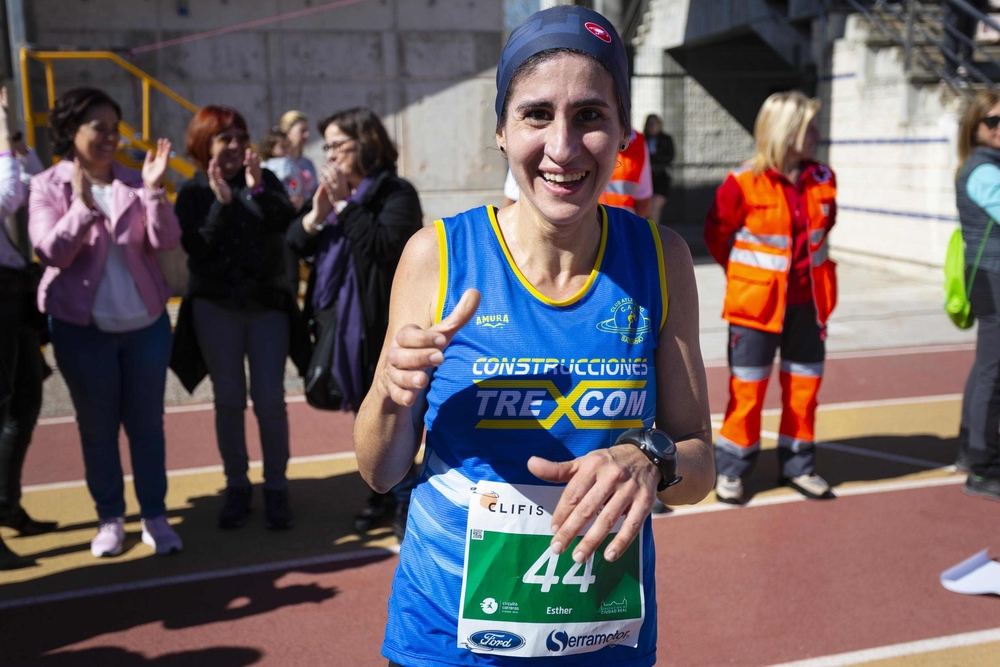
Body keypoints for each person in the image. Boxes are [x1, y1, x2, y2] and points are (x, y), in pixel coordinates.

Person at [354, 7, 714, 665]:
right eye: (537, 114)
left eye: (590, 116)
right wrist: (387, 390)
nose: (563, 147)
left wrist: (649, 457)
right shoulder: (438, 255)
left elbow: (700, 468)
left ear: (624, 130)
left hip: (601, 639)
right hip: (448, 640)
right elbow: (380, 472)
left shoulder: (661, 260)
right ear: (501, 129)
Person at [28, 87, 182, 558]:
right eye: (99, 127)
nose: (110, 137)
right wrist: (81, 206)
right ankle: (111, 518)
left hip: (146, 327)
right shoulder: (46, 186)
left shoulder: (135, 181)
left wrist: (154, 190)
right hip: (81, 330)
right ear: (70, 131)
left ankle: (154, 516)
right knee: (96, 429)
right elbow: (50, 251)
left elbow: (168, 238)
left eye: (115, 128)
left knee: (147, 427)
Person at [287, 107, 422, 540]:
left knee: (393, 415)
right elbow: (294, 244)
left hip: (381, 325)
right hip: (341, 325)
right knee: (364, 416)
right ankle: (380, 494)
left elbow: (383, 247)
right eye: (326, 146)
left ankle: (402, 500)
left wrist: (345, 204)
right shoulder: (337, 196)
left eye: (337, 145)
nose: (330, 155)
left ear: (364, 144)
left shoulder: (394, 193)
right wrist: (317, 213)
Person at [172, 105, 307, 531]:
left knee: (270, 400)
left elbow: (289, 226)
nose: (234, 146)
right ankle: (236, 486)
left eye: (239, 137)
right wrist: (221, 204)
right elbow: (197, 249)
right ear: (203, 143)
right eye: (223, 138)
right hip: (216, 310)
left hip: (266, 308)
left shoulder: (263, 181)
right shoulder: (194, 190)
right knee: (228, 401)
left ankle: (276, 487)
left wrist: (257, 191)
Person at [704, 91, 837, 505]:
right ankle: (732, 468)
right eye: (809, 127)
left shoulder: (823, 178)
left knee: (804, 389)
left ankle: (799, 465)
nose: (816, 134)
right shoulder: (741, 183)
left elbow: (821, 236)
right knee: (747, 392)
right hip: (756, 307)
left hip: (809, 304)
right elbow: (717, 235)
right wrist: (749, 278)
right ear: (786, 131)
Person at [0, 86, 53, 570]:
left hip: (12, 299)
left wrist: (16, 143)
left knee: (23, 405)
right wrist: (2, 143)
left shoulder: (7, 157)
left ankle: (8, 505)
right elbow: (9, 194)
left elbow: (37, 185)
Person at [954, 90, 1000, 502]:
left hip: (988, 275)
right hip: (993, 276)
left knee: (987, 367)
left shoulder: (987, 165)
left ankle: (972, 450)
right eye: (994, 122)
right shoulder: (983, 170)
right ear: (975, 127)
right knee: (994, 371)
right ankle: (983, 467)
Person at [500, 129, 653, 217]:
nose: (561, 153)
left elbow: (643, 200)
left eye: (589, 115)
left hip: (619, 239)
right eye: (538, 115)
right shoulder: (532, 148)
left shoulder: (638, 142)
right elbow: (511, 201)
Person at [259, 127, 306, 211]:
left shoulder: (263, 165)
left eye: (287, 146)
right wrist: (293, 191)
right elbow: (293, 181)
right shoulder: (285, 163)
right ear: (270, 148)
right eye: (283, 147)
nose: (286, 150)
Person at [278, 110, 318, 201]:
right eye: (302, 131)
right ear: (287, 132)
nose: (307, 135)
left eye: (307, 131)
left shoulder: (308, 163)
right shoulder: (277, 163)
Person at [644, 113, 674, 224]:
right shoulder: (642, 139)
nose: (652, 126)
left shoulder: (666, 139)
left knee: (654, 208)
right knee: (646, 210)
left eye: (654, 123)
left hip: (660, 179)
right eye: (650, 123)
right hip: (646, 179)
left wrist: (655, 162)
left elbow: (670, 156)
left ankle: (653, 235)